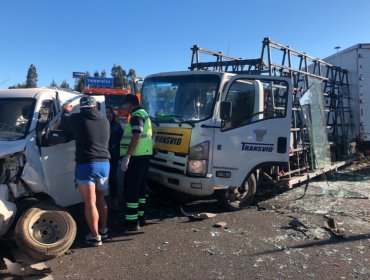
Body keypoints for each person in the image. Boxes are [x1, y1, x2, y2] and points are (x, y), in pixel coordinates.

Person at [61, 96, 110, 246]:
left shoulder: (78, 118)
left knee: (90, 203)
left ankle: (95, 237)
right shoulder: (104, 121)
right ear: (94, 107)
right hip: (104, 164)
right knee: (101, 199)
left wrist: (65, 112)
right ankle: (103, 230)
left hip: (86, 165)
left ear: (81, 108)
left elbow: (65, 124)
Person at [120, 94, 153, 232]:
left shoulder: (136, 115)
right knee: (140, 190)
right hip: (143, 156)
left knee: (131, 190)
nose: (124, 108)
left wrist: (127, 155)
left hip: (136, 157)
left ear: (130, 104)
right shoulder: (144, 113)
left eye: (125, 105)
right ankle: (141, 218)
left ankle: (131, 223)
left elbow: (137, 135)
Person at [106, 106, 123, 211]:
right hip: (101, 157)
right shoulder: (99, 125)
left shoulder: (117, 126)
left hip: (113, 157)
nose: (108, 114)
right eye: (106, 112)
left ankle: (115, 202)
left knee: (113, 179)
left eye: (110, 112)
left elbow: (121, 141)